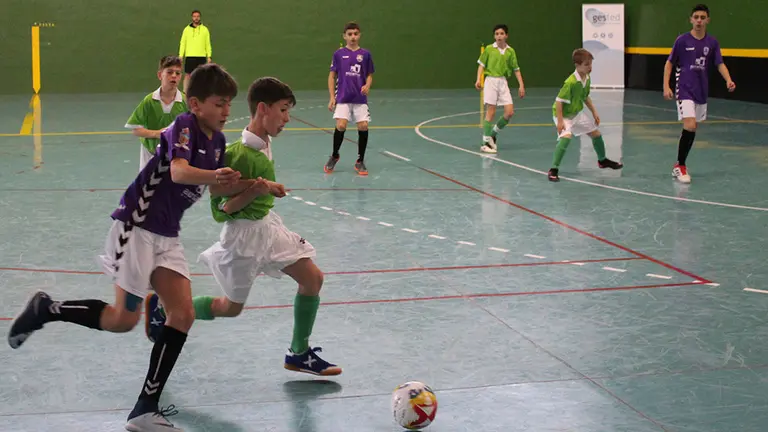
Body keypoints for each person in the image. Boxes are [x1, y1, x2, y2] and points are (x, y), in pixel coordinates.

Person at [7, 63, 244, 432]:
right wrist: (216, 175)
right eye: (220, 103)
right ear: (195, 104)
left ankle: (145, 408)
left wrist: (252, 186)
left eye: (229, 103)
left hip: (167, 234)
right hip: (136, 224)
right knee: (123, 320)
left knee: (182, 313)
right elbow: (180, 172)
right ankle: (46, 308)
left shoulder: (218, 143)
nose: (227, 111)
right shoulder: (183, 125)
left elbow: (213, 189)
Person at [143, 76, 343, 377]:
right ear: (263, 108)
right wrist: (257, 188)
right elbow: (221, 202)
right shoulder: (239, 153)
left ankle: (298, 353)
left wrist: (262, 187)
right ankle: (164, 310)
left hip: (269, 230)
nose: (287, 118)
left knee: (313, 278)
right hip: (243, 238)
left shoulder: (263, 141)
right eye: (283, 110)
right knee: (230, 307)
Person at [663, 3, 735, 184]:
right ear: (691, 20)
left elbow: (719, 63)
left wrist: (728, 79)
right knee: (690, 124)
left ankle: (678, 164)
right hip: (684, 88)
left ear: (707, 20)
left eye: (703, 18)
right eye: (696, 17)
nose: (699, 21)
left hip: (701, 90)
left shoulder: (712, 43)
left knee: (693, 128)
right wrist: (666, 86)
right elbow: (669, 63)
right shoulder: (682, 40)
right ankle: (680, 166)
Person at [548, 48, 623, 182]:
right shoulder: (570, 82)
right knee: (566, 137)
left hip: (576, 113)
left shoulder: (587, 78)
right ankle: (553, 169)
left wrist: (594, 112)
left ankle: (602, 160)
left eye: (590, 64)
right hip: (563, 115)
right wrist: (560, 122)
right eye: (586, 64)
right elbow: (559, 102)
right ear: (577, 65)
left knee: (596, 134)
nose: (590, 67)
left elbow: (585, 97)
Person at [324, 21, 375, 176]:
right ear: (344, 36)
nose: (353, 37)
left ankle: (360, 161)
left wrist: (367, 85)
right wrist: (332, 97)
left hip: (359, 98)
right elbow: (332, 76)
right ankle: (334, 155)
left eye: (356, 34)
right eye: (350, 34)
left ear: (359, 35)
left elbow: (369, 75)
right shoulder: (338, 54)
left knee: (363, 126)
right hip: (343, 97)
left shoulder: (365, 54)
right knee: (341, 125)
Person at [125, 55, 188, 170]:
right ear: (160, 75)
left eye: (177, 73)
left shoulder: (185, 102)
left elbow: (191, 129)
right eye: (169, 72)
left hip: (175, 155)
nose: (174, 76)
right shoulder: (149, 101)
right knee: (147, 186)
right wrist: (158, 133)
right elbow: (136, 130)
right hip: (150, 153)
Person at [475, 24, 525, 154]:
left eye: (501, 33)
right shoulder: (489, 49)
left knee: (509, 112)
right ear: (494, 36)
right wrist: (478, 79)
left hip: (502, 81)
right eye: (496, 34)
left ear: (506, 36)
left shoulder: (510, 51)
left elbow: (516, 69)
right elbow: (481, 65)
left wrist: (521, 85)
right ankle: (485, 143)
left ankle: (492, 135)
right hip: (491, 80)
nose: (499, 36)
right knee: (490, 112)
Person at [179, 10, 213, 94]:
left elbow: (207, 43)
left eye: (197, 16)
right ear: (192, 17)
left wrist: (209, 56)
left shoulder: (205, 30)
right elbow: (183, 42)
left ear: (200, 17)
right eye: (194, 16)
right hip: (190, 56)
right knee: (188, 75)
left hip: (201, 56)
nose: (196, 18)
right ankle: (185, 92)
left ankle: (201, 92)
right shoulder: (186, 30)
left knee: (201, 76)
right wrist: (180, 55)